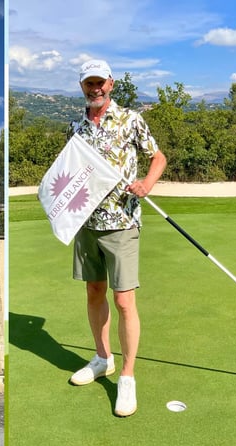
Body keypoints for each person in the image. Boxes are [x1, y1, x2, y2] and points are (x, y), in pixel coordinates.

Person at [67, 59, 167, 417]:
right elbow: (71, 175)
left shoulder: (130, 119)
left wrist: (147, 184)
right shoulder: (75, 127)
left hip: (122, 221)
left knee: (124, 301)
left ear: (110, 83)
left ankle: (127, 377)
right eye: (87, 83)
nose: (94, 88)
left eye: (99, 82)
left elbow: (157, 157)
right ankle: (102, 358)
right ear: (82, 86)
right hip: (87, 224)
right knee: (94, 292)